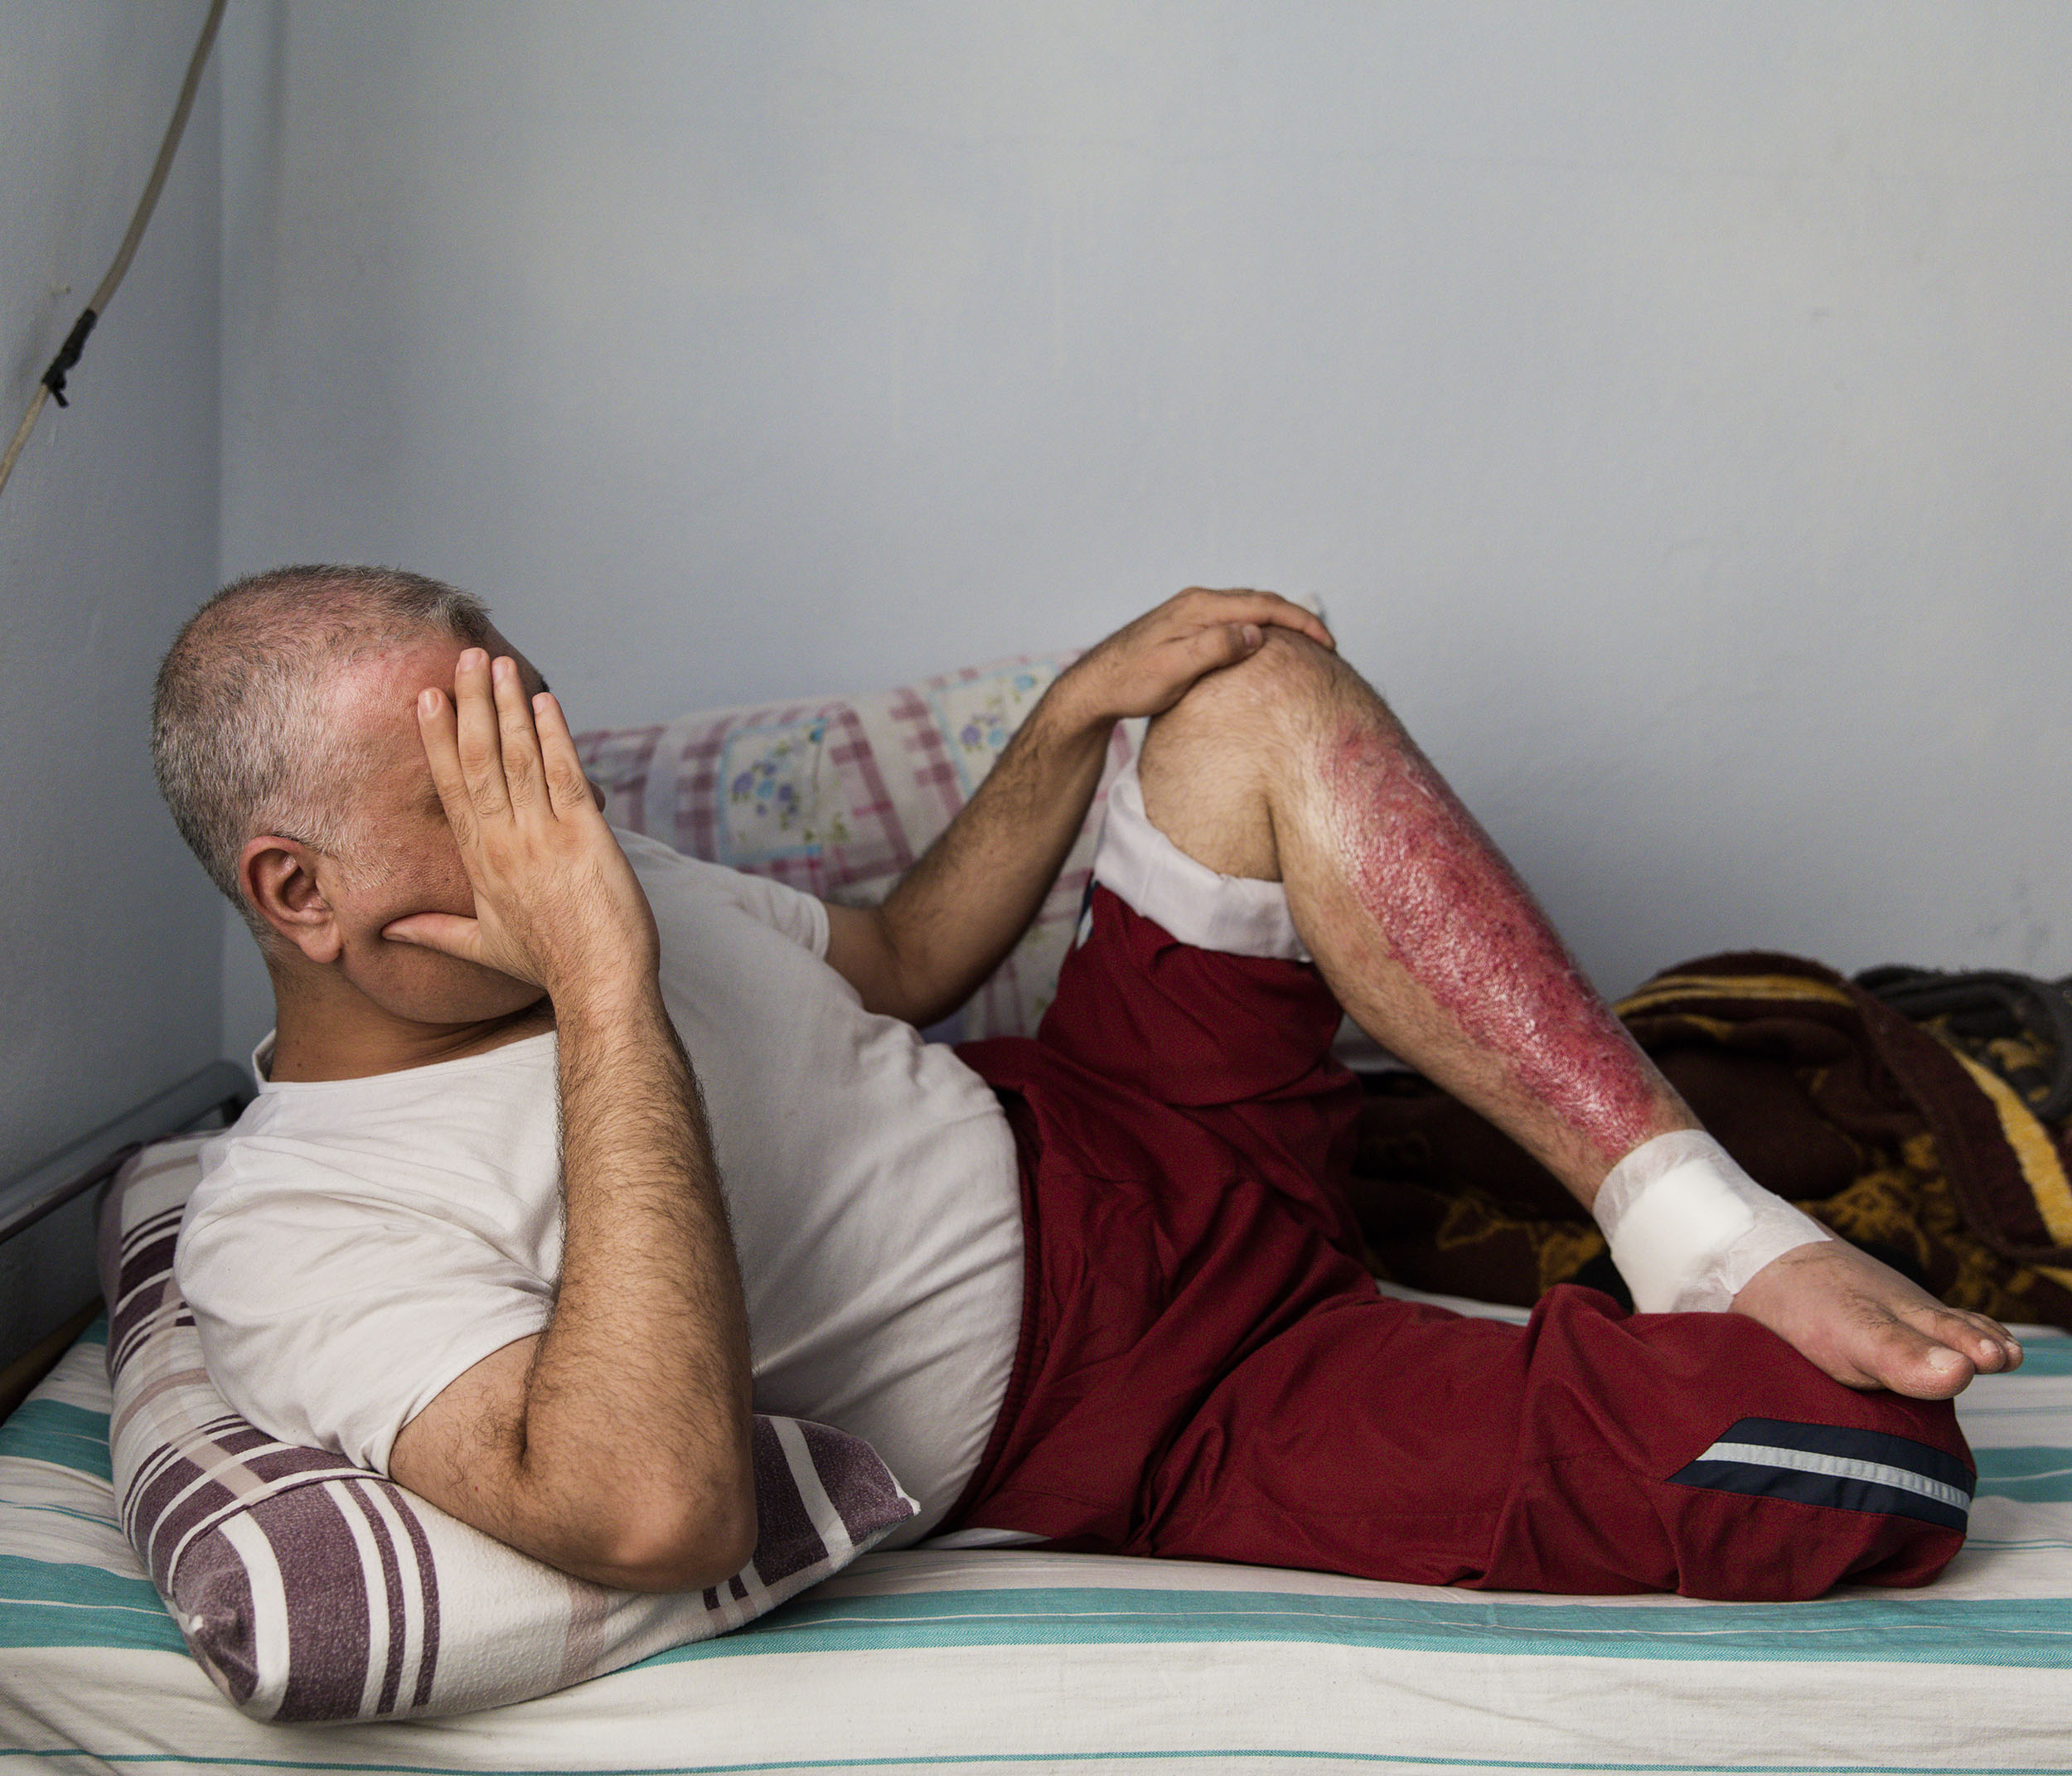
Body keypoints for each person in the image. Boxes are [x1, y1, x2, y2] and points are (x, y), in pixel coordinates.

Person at [155, 567, 2019, 1604]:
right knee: (1879, 1471)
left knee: (1251, 688)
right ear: (298, 894)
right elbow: (650, 1512)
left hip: (1111, 1112)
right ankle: (1672, 1312)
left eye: (535, 754)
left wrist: (1071, 719)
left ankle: (1691, 1222)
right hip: (1165, 1398)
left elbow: (891, 963)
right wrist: (602, 974)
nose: (557, 828)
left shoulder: (588, 872)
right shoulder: (298, 1225)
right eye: (473, 794)